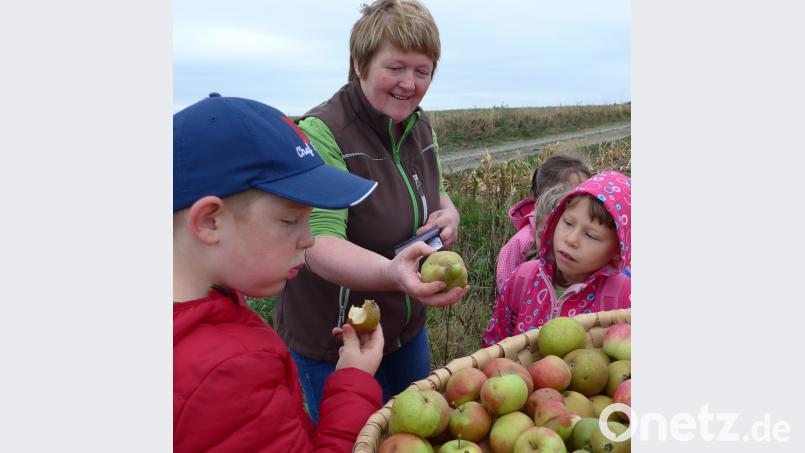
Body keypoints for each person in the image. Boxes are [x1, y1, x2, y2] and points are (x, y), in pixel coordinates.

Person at [274, 0, 468, 424]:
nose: (409, 84)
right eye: (395, 67)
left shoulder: (417, 124)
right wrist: (393, 274)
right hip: (340, 339)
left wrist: (447, 212)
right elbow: (317, 244)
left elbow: (432, 188)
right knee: (353, 438)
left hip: (405, 329)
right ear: (360, 63)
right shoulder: (323, 133)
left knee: (416, 433)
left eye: (423, 70)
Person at [173, 93, 390, 452]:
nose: (308, 239)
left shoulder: (203, 311)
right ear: (209, 221)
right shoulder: (228, 373)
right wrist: (352, 382)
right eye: (290, 220)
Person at [482, 171, 631, 346]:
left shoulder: (623, 298)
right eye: (567, 223)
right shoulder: (523, 279)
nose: (571, 239)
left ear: (618, 249)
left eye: (591, 235)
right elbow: (494, 344)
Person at [495, 154, 592, 293]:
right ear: (549, 194)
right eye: (572, 193)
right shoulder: (522, 241)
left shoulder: (586, 232)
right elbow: (506, 287)